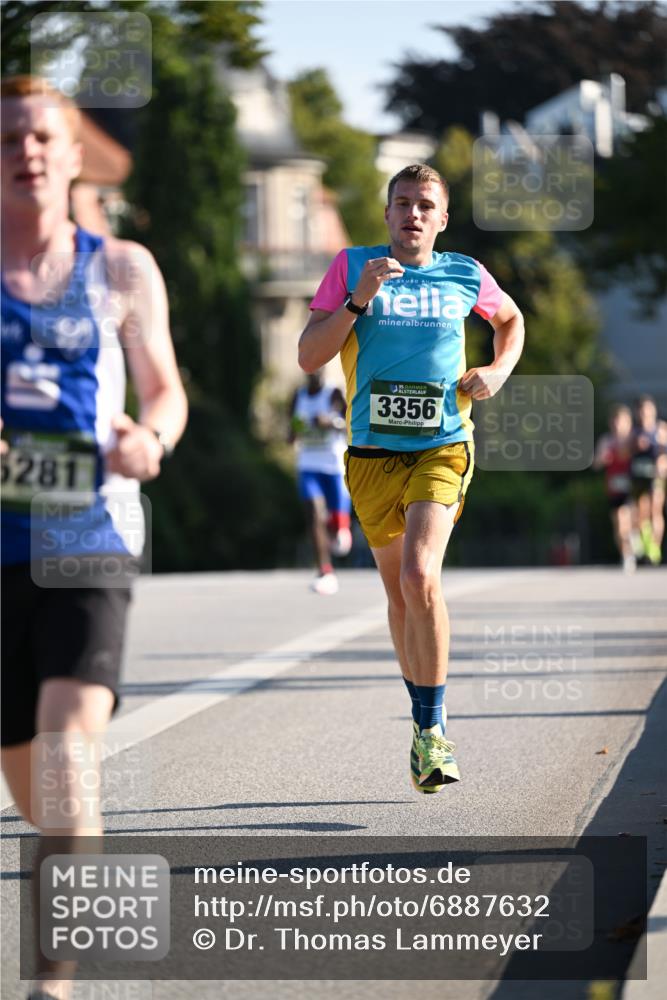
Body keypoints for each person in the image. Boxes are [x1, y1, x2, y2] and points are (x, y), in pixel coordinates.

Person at [1, 75, 188, 999]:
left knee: (70, 752)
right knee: (36, 793)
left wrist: (150, 437)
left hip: (89, 534)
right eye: (8, 141)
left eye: (42, 138)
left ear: (75, 156)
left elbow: (164, 387)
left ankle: (53, 981)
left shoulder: (121, 268)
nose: (26, 152)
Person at [298, 163, 524, 794]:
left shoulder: (464, 273)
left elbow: (511, 320)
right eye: (402, 203)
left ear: (442, 218)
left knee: (420, 575)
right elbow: (310, 355)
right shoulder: (351, 266)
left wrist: (499, 370)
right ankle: (422, 719)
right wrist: (356, 300)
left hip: (443, 445)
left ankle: (432, 729)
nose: (413, 214)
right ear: (388, 212)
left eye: (426, 205)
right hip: (370, 454)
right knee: (399, 597)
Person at [289, 369, 352, 594]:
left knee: (338, 534)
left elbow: (350, 425)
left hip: (334, 467)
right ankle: (325, 571)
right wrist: (298, 429)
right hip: (308, 465)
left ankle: (339, 525)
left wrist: (330, 423)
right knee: (314, 514)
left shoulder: (333, 393)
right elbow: (291, 433)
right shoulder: (299, 396)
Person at [593, 403, 636, 572]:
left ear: (628, 422)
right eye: (615, 421)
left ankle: (636, 541)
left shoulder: (634, 439)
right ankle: (626, 554)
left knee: (629, 516)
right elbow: (596, 464)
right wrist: (602, 459)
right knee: (619, 523)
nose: (618, 424)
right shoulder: (606, 440)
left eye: (621, 420)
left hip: (633, 485)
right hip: (614, 487)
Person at [630, 394, 667, 566]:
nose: (644, 413)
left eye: (647, 409)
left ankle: (654, 548)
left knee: (655, 509)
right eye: (641, 410)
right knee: (641, 512)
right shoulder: (634, 432)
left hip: (655, 475)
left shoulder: (661, 429)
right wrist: (634, 445)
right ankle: (644, 546)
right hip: (639, 476)